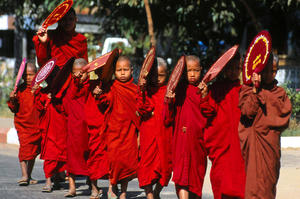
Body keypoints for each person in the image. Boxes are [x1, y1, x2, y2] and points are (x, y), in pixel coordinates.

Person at [239, 53, 292, 199]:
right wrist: (256, 91)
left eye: (273, 70)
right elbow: (247, 112)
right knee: (254, 187)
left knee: (268, 185)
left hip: (271, 147)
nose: (269, 74)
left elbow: (283, 118)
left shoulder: (280, 93)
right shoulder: (248, 89)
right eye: (266, 70)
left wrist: (266, 98)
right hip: (255, 146)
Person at [199, 52, 246, 199]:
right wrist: (204, 96)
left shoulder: (245, 90)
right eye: (229, 68)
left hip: (240, 145)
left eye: (236, 68)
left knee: (241, 183)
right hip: (221, 145)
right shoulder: (215, 89)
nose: (233, 71)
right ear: (223, 69)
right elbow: (207, 111)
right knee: (221, 180)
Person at [94, 56, 139, 199]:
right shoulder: (112, 87)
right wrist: (98, 95)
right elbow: (104, 102)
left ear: (131, 71)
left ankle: (124, 191)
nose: (123, 73)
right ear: (114, 72)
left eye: (126, 70)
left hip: (129, 131)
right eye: (119, 70)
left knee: (126, 162)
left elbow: (139, 108)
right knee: (114, 161)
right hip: (113, 131)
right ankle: (112, 186)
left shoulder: (135, 89)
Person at [164, 55, 207, 199]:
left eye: (196, 70)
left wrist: (205, 96)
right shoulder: (178, 90)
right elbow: (167, 118)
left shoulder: (204, 90)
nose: (193, 74)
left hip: (198, 142)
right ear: (183, 73)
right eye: (189, 71)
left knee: (196, 176)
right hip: (181, 141)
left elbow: (210, 113)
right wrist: (170, 101)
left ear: (201, 70)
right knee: (182, 176)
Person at [137, 57, 172, 199]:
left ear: (167, 74)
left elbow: (170, 117)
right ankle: (149, 194)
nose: (157, 79)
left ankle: (157, 191)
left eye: (161, 75)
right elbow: (142, 109)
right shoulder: (145, 90)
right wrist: (142, 91)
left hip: (165, 135)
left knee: (166, 168)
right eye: (154, 76)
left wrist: (170, 101)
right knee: (146, 166)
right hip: (148, 134)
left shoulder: (169, 91)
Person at [7, 62, 41, 186]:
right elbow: (13, 108)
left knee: (33, 151)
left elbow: (43, 105)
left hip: (36, 125)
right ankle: (24, 175)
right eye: (26, 75)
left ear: (37, 75)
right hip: (23, 125)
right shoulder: (19, 90)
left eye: (31, 75)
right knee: (24, 150)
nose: (28, 78)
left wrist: (41, 94)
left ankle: (29, 174)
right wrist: (12, 99)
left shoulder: (39, 89)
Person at [63, 58, 89, 197]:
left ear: (88, 73)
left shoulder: (91, 87)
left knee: (91, 158)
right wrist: (75, 84)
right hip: (74, 128)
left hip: (88, 129)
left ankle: (92, 183)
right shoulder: (71, 88)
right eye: (75, 73)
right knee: (72, 159)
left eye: (82, 72)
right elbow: (67, 106)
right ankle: (72, 187)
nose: (78, 75)